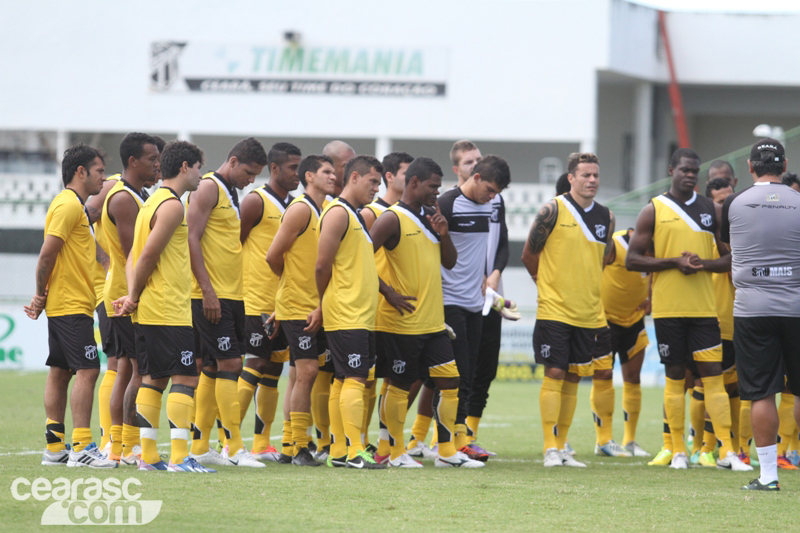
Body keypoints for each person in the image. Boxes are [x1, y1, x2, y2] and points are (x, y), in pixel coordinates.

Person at [626, 148, 750, 471]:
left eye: (695, 170)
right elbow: (632, 259)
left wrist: (702, 265)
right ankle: (677, 449)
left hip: (705, 311)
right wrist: (673, 263)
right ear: (671, 170)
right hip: (668, 310)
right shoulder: (652, 210)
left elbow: (730, 257)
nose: (691, 174)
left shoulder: (712, 210)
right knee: (675, 378)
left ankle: (726, 451)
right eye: (685, 169)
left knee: (713, 379)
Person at [370, 156, 484, 468]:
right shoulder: (391, 219)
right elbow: (361, 259)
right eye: (433, 186)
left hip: (434, 321)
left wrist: (444, 233)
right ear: (415, 183)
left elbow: (450, 262)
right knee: (400, 385)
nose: (437, 192)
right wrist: (387, 291)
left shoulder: (431, 218)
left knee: (451, 381)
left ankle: (446, 452)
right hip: (401, 322)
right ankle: (394, 453)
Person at [113, 140, 214, 472]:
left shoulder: (151, 202)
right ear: (185, 167)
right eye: (199, 167)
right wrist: (135, 295)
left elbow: (134, 257)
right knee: (186, 378)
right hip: (167, 309)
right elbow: (148, 256)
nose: (201, 174)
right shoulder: (172, 206)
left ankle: (150, 457)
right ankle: (180, 457)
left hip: (153, 310)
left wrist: (133, 296)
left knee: (153, 380)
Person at [521, 152, 613, 468]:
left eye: (595, 175)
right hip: (554, 310)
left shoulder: (607, 217)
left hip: (588, 312)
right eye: (585, 175)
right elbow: (528, 254)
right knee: (555, 371)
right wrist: (545, 285)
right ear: (571, 178)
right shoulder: (552, 210)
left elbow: (603, 260)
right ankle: (549, 447)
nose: (591, 180)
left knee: (574, 377)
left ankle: (562, 447)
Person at [29, 143, 116, 468]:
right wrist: (40, 293)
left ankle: (55, 448)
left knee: (61, 371)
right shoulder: (67, 206)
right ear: (80, 172)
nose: (103, 179)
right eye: (98, 172)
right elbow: (47, 254)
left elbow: (87, 251)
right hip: (70, 303)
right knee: (89, 370)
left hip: (68, 301)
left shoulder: (74, 207)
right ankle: (81, 446)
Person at [721, 138, 800, 490]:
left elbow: (729, 245)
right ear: (783, 167)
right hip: (797, 306)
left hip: (752, 308)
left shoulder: (734, 203)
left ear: (750, 168)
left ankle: (769, 476)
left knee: (761, 393)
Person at [188, 137, 267, 468]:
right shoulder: (208, 188)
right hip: (213, 295)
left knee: (211, 367)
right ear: (233, 162)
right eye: (249, 172)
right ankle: (233, 447)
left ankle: (199, 446)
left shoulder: (232, 193)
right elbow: (191, 237)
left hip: (233, 295)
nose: (252, 180)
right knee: (232, 364)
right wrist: (207, 291)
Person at [316, 155, 390, 469]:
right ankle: (355, 450)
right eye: (373, 181)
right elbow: (321, 265)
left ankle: (338, 451)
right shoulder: (337, 213)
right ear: (355, 177)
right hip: (346, 312)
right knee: (356, 379)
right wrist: (324, 303)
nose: (377, 188)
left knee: (344, 379)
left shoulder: (355, 215)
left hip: (358, 312)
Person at [435, 154, 511, 462]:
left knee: (470, 374)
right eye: (490, 189)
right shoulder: (448, 203)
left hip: (476, 303)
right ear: (476, 177)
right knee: (456, 375)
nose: (492, 198)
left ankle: (458, 440)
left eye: (497, 194)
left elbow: (493, 245)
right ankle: (443, 446)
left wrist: (489, 278)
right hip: (447, 301)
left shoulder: (492, 204)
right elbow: (433, 250)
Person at [267, 154, 337, 466]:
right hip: (299, 306)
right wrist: (292, 286)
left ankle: (289, 444)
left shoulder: (325, 210)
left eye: (334, 173)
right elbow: (272, 256)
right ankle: (299, 448)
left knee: (299, 373)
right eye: (326, 172)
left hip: (314, 304)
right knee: (307, 372)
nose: (333, 177)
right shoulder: (300, 209)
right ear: (309, 176)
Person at [238, 142, 301, 463]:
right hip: (256, 298)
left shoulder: (295, 204)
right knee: (256, 364)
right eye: (292, 167)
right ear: (274, 169)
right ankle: (229, 440)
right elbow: (235, 245)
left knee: (274, 371)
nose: (298, 174)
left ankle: (262, 443)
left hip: (283, 301)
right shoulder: (255, 201)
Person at [101, 133, 160, 464]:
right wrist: (138, 293)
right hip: (127, 296)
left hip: (125, 293)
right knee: (136, 371)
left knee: (125, 370)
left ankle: (119, 446)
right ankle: (128, 444)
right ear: (133, 162)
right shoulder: (124, 199)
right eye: (151, 159)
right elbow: (133, 253)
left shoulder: (140, 194)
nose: (157, 164)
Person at [361, 151, 414, 462]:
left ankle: (387, 445)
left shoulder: (410, 214)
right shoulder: (372, 213)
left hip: (400, 313)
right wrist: (387, 291)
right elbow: (362, 261)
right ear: (389, 178)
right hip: (374, 309)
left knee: (395, 380)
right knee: (366, 380)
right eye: (405, 174)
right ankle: (358, 441)